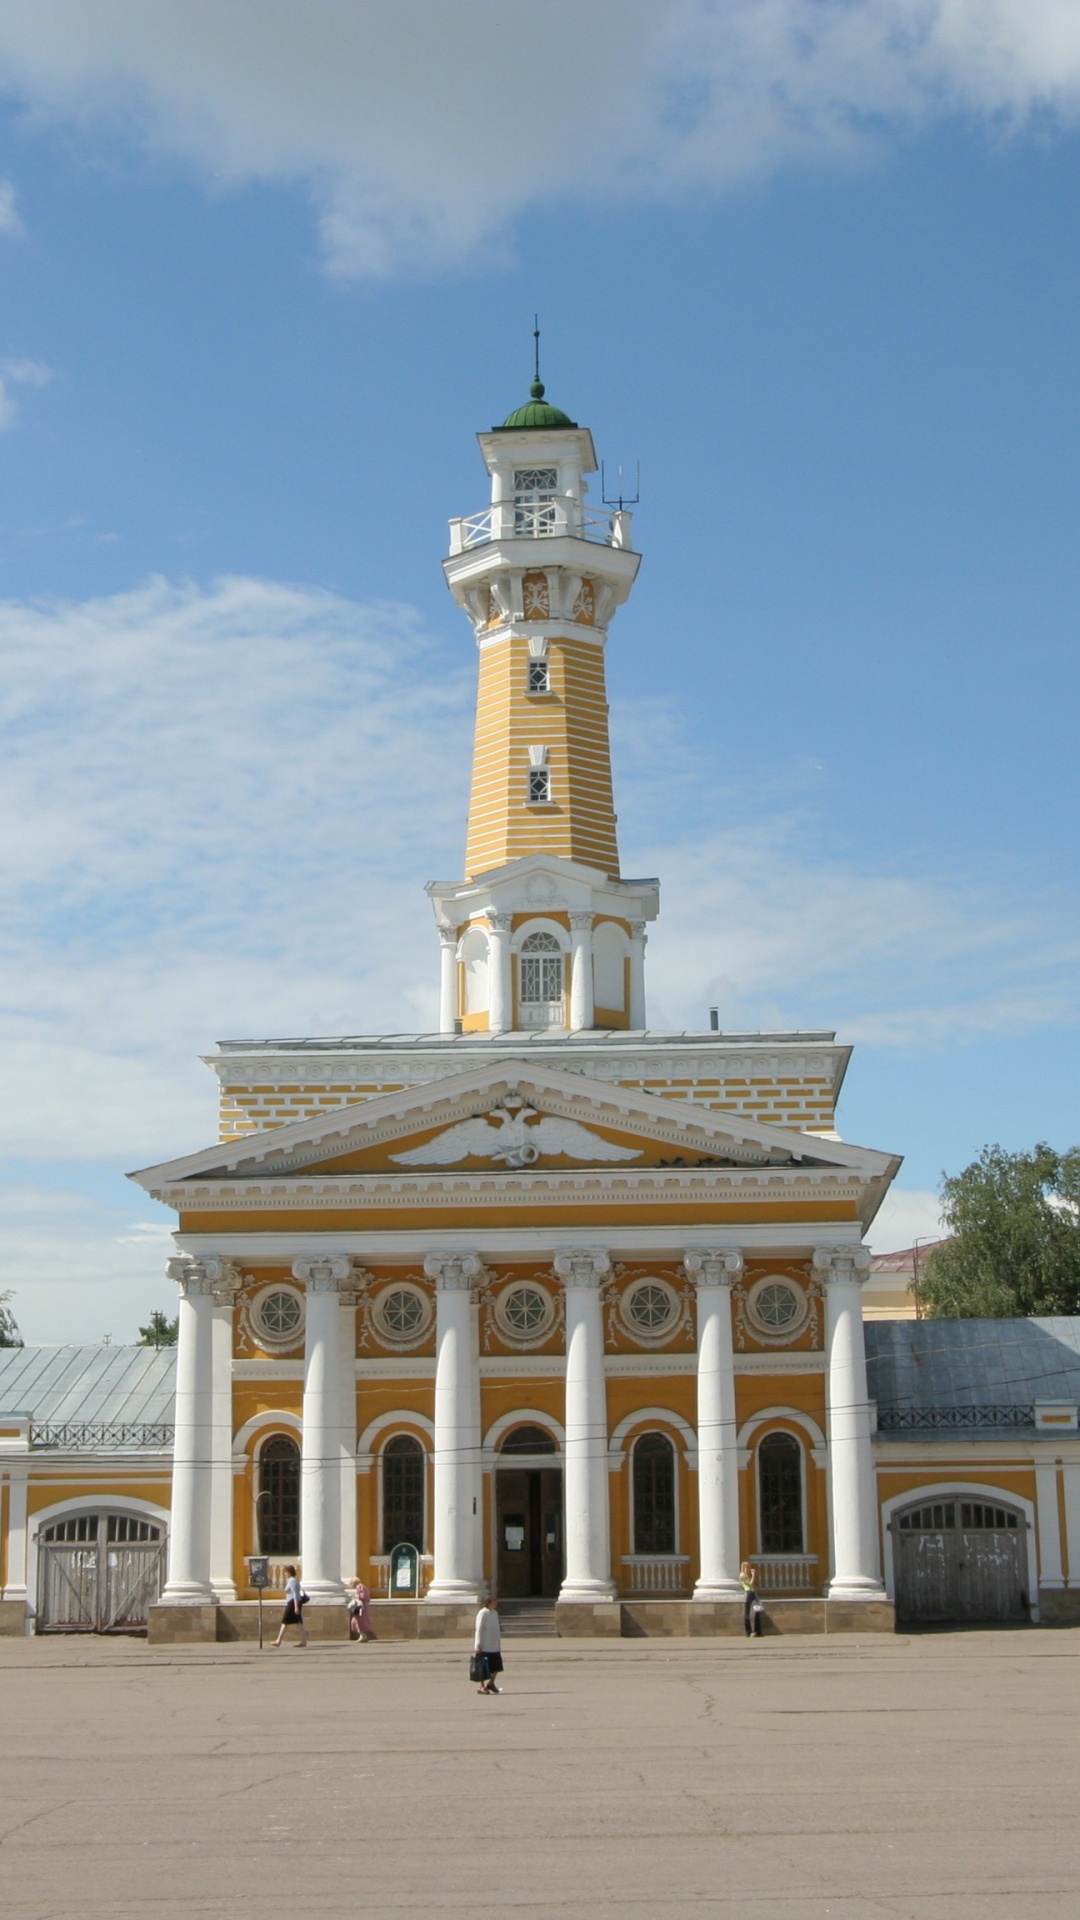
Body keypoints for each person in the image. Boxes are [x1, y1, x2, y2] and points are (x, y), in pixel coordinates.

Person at [473, 1594, 503, 1694]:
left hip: (494, 1645)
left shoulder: (495, 1613)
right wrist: (477, 1644)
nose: (496, 1602)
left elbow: (497, 1630)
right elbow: (479, 1630)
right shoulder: (483, 1613)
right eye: (494, 1601)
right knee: (483, 1667)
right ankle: (481, 1686)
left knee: (497, 1667)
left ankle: (491, 1683)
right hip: (485, 1645)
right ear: (489, 1602)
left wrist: (499, 1643)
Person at [274, 1565, 308, 1648]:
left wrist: (296, 1607)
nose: (285, 1573)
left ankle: (278, 1640)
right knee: (298, 1622)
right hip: (294, 1603)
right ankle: (304, 1641)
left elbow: (295, 1594)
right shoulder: (293, 1580)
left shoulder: (292, 1581)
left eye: (286, 1572)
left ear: (289, 1572)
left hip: (293, 1603)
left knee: (285, 1621)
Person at [740, 1560, 763, 1639]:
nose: (750, 1568)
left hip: (752, 1593)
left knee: (757, 1611)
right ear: (744, 1567)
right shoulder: (742, 1575)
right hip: (748, 1594)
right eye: (748, 1567)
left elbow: (753, 1587)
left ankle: (757, 1630)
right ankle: (749, 1632)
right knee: (747, 1614)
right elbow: (750, 1584)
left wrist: (756, 1595)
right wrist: (754, 1575)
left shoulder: (747, 1575)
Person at [348, 1578, 376, 1642]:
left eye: (351, 1583)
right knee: (359, 1620)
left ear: (354, 1583)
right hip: (363, 1606)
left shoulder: (359, 1586)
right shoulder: (362, 1586)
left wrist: (355, 1596)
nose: (351, 1585)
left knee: (358, 1621)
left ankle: (363, 1635)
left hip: (360, 1607)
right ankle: (363, 1636)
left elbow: (362, 1596)